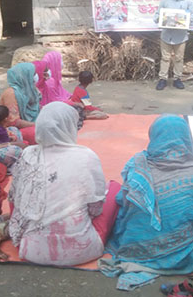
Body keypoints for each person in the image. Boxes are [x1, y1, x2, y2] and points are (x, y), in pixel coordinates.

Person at [106, 115, 193, 274]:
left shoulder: (137, 166)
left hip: (132, 247)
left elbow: (122, 203)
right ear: (186, 137)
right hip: (185, 256)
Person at [8, 102, 120, 266]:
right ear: (70, 126)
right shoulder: (86, 156)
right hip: (81, 251)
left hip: (29, 250)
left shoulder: (28, 154)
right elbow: (96, 210)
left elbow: (14, 199)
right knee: (115, 189)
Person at [154, 0, 193, 90]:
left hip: (181, 36)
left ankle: (177, 79)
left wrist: (183, 20)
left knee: (179, 58)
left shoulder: (188, 1)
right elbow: (156, 16)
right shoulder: (165, 1)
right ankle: (162, 79)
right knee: (165, 58)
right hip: (166, 35)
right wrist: (160, 19)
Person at [0, 63, 39, 145]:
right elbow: (14, 122)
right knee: (40, 132)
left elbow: (36, 107)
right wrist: (38, 124)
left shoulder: (30, 89)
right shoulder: (11, 94)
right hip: (14, 129)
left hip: (32, 122)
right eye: (33, 74)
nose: (35, 76)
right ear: (24, 76)